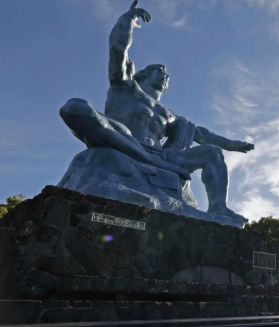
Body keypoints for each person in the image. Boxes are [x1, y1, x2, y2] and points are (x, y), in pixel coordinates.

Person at [59, 1, 254, 220]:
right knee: (75, 108)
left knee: (212, 152)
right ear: (143, 75)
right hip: (123, 138)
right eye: (160, 70)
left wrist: (231, 144)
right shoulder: (125, 86)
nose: (165, 75)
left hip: (161, 156)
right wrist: (127, 20)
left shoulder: (169, 115)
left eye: (167, 74)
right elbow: (117, 48)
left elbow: (202, 134)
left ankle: (219, 207)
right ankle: (140, 155)